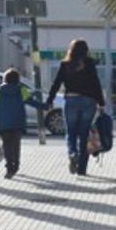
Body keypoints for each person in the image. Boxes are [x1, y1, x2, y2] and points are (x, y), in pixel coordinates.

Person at [46, 39, 106, 176]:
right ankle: (82, 170)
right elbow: (95, 83)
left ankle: (73, 153)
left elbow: (56, 83)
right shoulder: (89, 63)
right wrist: (101, 102)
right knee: (84, 135)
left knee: (71, 132)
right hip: (88, 101)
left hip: (71, 100)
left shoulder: (65, 64)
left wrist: (50, 99)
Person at [0, 69, 48, 179]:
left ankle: (9, 167)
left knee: (6, 146)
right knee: (16, 144)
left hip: (3, 124)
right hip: (17, 123)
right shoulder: (21, 90)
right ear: (17, 80)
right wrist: (45, 106)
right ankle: (16, 166)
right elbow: (31, 102)